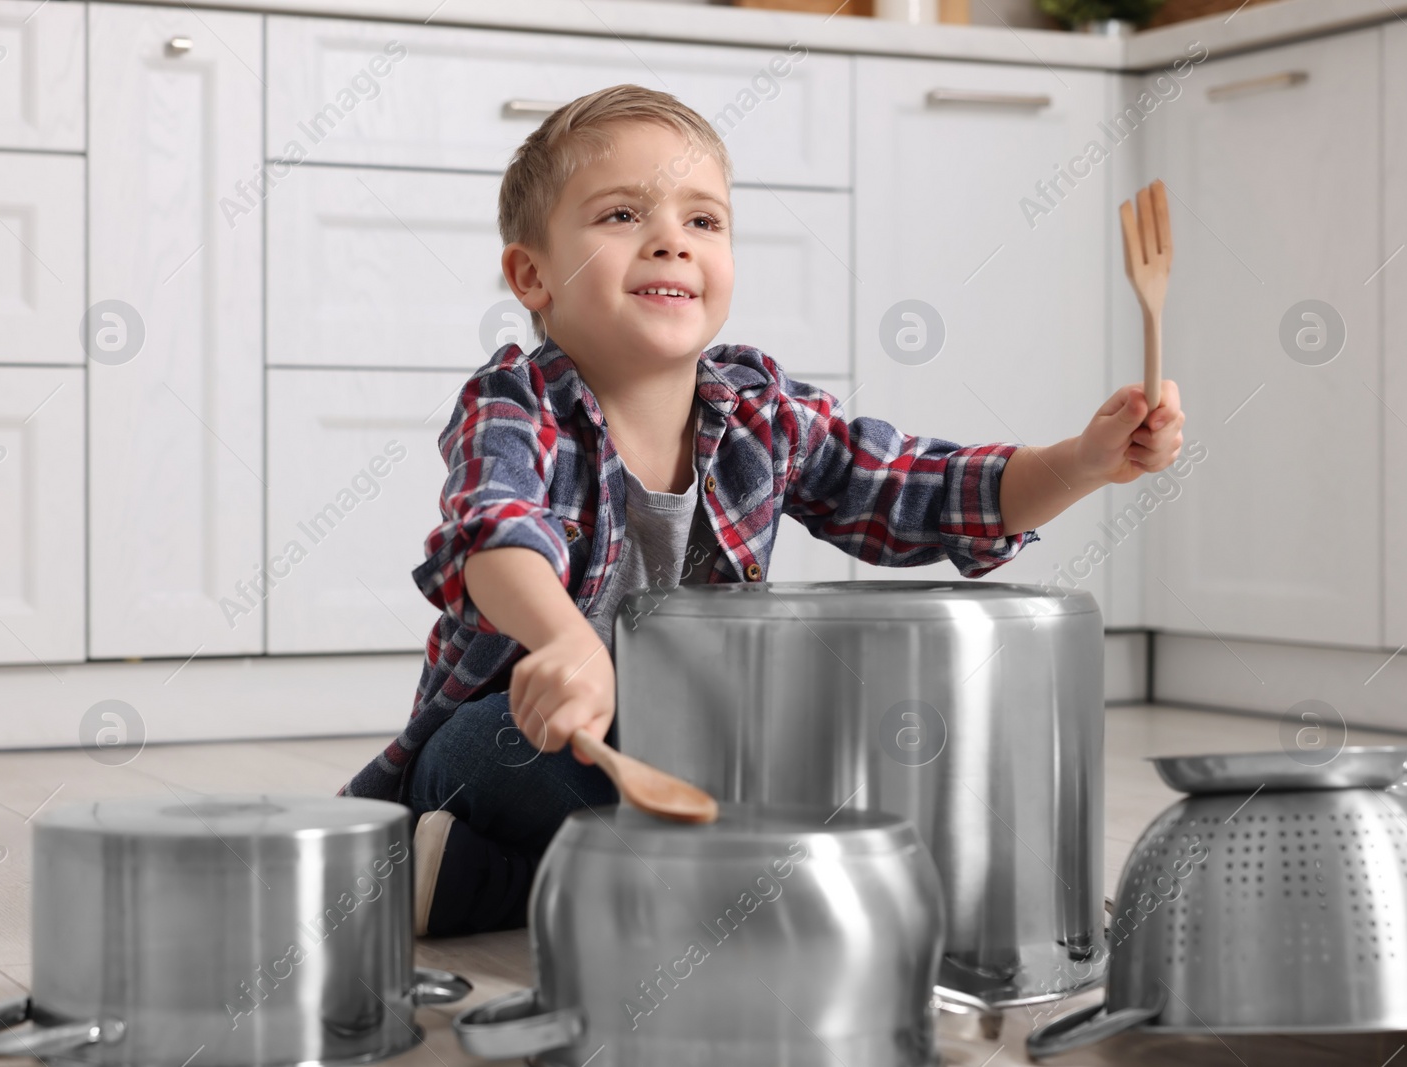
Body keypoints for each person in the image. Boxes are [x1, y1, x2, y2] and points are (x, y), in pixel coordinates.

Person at [336, 84, 1186, 938]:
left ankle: (493, 883)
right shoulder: (514, 401)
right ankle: (756, 888)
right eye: (624, 215)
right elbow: (495, 533)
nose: (671, 239)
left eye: (703, 222)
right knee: (498, 744)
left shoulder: (759, 409)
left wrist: (1082, 463)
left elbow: (915, 490)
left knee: (829, 750)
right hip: (531, 739)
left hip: (705, 743)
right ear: (533, 275)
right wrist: (564, 642)